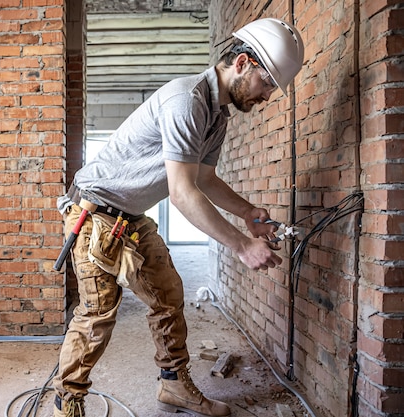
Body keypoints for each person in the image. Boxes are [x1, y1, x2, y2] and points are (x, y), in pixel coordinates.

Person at [53, 18, 305, 417]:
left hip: (129, 217)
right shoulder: (187, 100)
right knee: (98, 312)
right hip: (94, 211)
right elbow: (183, 193)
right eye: (268, 83)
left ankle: (174, 387)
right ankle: (67, 402)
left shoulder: (217, 116)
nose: (268, 96)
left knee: (167, 295)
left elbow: (204, 179)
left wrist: (248, 213)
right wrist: (241, 246)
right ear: (242, 63)